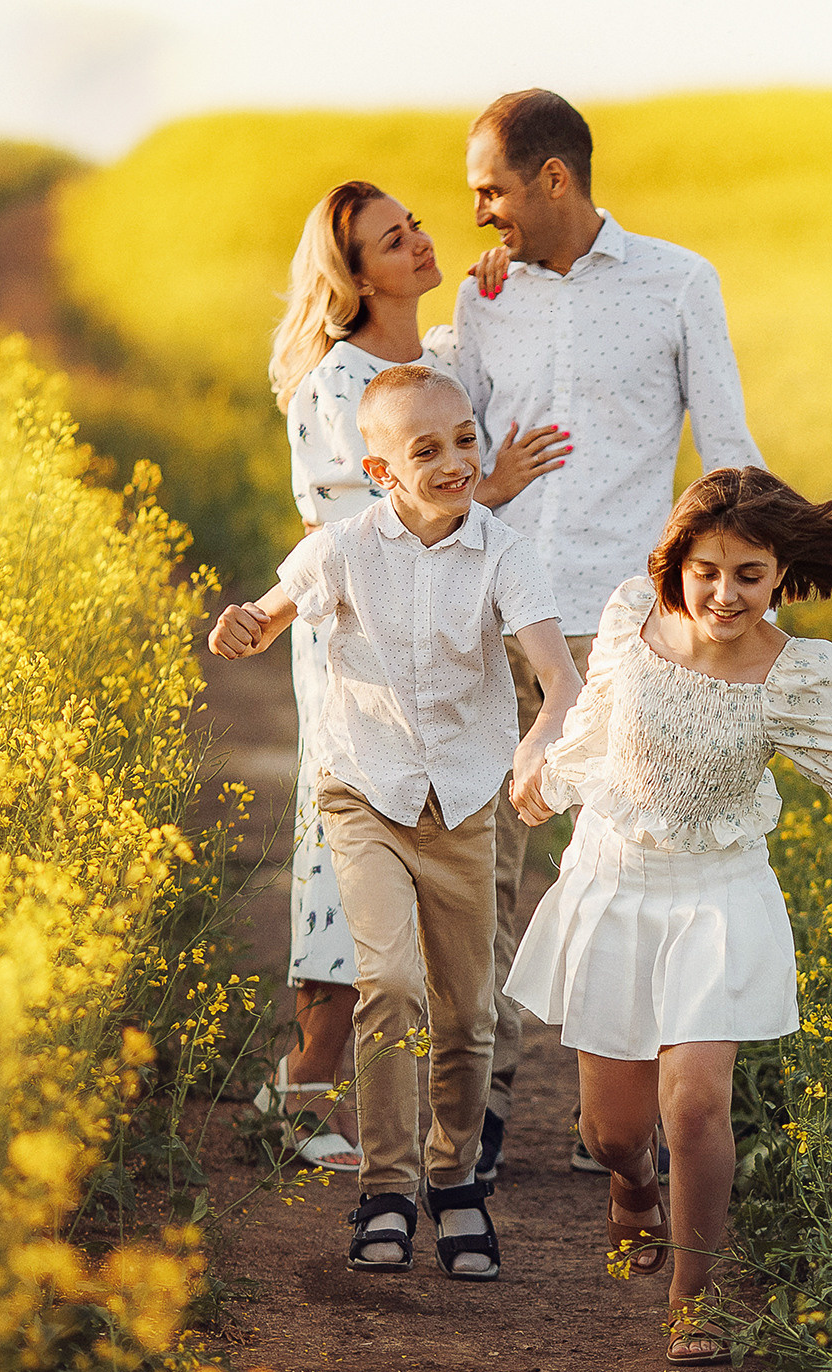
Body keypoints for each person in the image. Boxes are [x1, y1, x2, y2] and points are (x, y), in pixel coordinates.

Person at [505, 468, 832, 1361]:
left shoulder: (799, 674)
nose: (725, 594)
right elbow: (598, 728)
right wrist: (547, 776)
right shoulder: (628, 620)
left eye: (749, 575)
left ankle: (694, 1299)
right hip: (617, 878)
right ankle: (632, 1190)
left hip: (718, 894)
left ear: (779, 573)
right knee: (612, 1131)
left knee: (696, 1106)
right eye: (708, 571)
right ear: (676, 563)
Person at [454, 89, 768, 1174]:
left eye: (491, 189)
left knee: (624, 879)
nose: (480, 213)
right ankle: (478, 1120)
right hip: (495, 619)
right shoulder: (482, 298)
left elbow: (726, 443)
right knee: (485, 875)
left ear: (554, 178)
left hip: (618, 633)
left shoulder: (679, 282)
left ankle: (615, 1130)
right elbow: (440, 447)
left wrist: (757, 600)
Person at [213, 363, 583, 1279]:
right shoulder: (342, 549)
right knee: (388, 981)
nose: (458, 460)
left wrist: (540, 740)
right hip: (365, 789)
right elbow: (268, 613)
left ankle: (453, 1179)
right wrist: (245, 627)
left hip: (461, 798)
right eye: (428, 449)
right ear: (380, 472)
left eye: (466, 439)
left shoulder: (504, 550)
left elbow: (560, 679)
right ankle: (387, 1188)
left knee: (466, 1009)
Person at [263, 179, 569, 1176]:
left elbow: (474, 403)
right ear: (354, 277)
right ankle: (300, 1086)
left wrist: (494, 290)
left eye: (416, 227)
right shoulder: (333, 384)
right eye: (393, 242)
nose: (420, 243)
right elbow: (353, 529)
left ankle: (434, 1119)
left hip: (456, 648)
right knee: (344, 854)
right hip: (362, 648)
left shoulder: (437, 359)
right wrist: (497, 485)